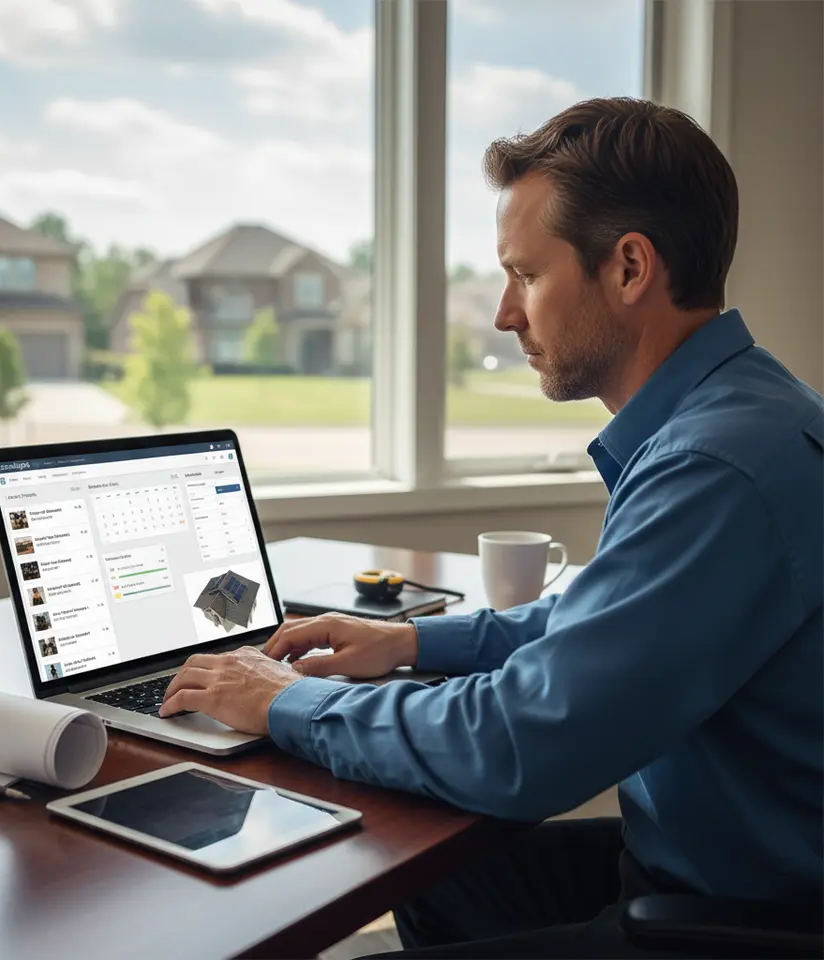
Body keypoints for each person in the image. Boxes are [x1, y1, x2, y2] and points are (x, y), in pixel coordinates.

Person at [160, 97, 823, 957]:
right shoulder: (743, 412)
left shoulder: (715, 466)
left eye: (528, 276)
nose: (508, 315)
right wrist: (408, 645)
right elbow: (601, 623)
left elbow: (517, 744)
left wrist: (288, 699)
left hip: (750, 916)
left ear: (630, 268)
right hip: (724, 868)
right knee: (441, 880)